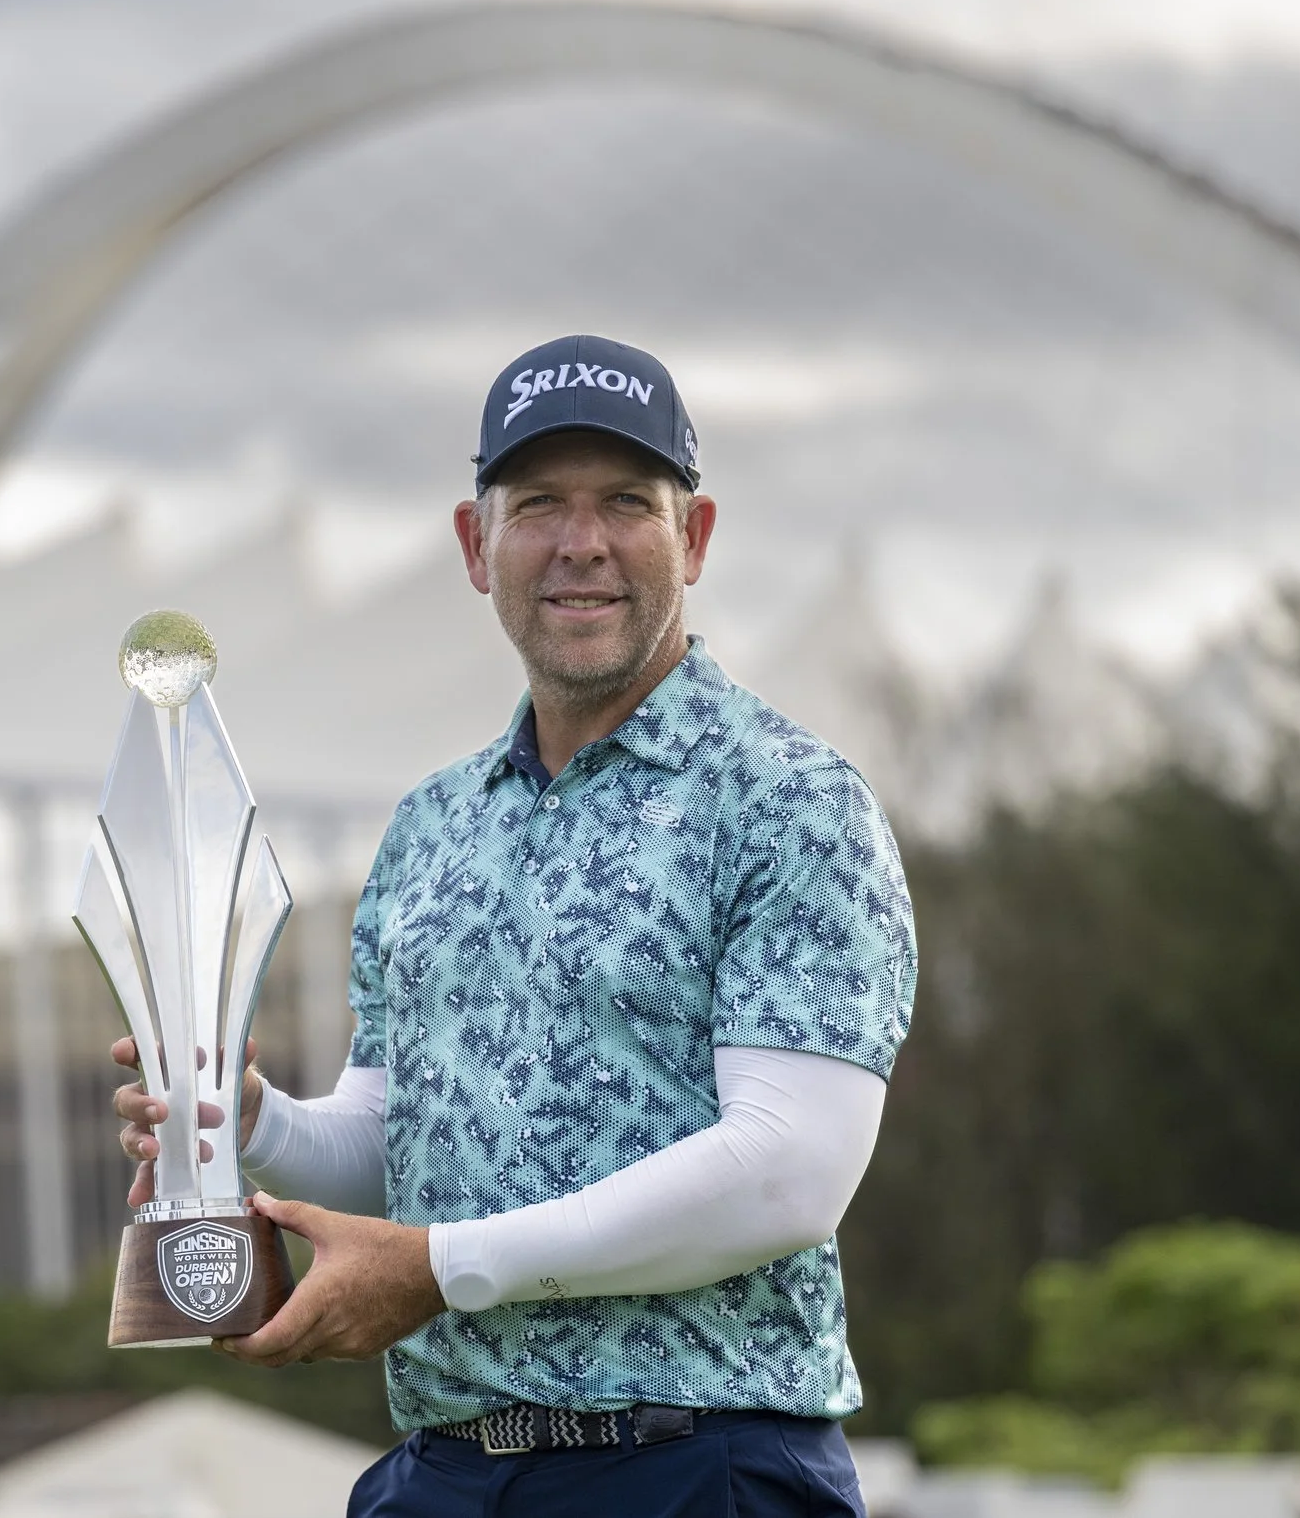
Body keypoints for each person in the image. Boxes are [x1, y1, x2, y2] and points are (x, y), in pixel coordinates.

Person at [111, 333, 917, 1517]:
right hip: (445, 1469)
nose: (581, 541)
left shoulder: (788, 799)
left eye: (626, 502)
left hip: (695, 1467)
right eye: (538, 502)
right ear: (473, 544)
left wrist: (437, 1269)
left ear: (693, 537)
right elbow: (395, 1136)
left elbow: (785, 1172)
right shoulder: (431, 824)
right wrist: (250, 1121)